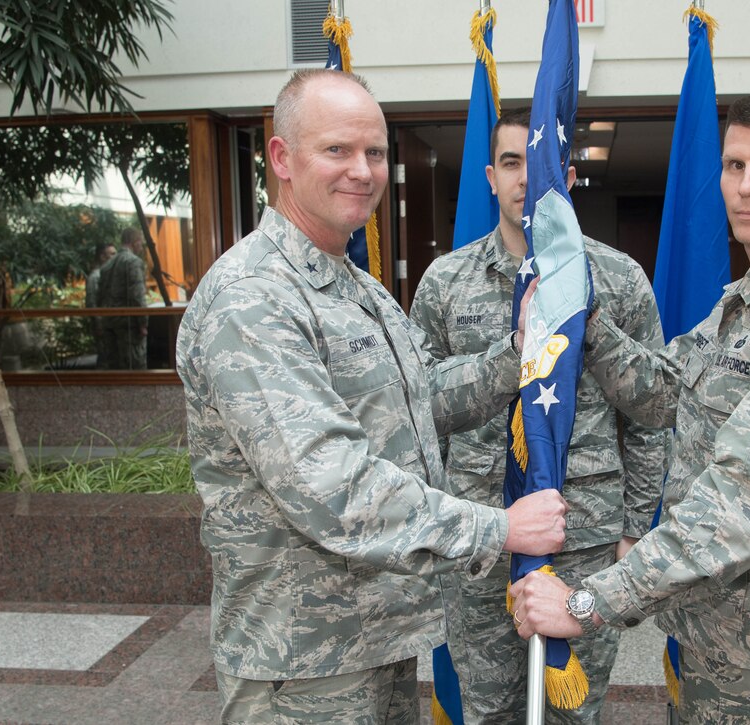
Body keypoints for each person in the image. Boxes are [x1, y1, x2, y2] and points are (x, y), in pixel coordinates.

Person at [175, 69, 568, 725]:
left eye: (376, 153)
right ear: (282, 159)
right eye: (337, 150)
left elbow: (419, 402)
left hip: (376, 638)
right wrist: (498, 528)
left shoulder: (355, 285)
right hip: (302, 665)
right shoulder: (254, 298)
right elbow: (332, 486)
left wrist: (516, 355)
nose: (363, 170)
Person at [512, 91, 750, 724]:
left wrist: (588, 603)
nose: (747, 187)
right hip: (716, 631)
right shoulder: (749, 300)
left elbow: (742, 503)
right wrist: (583, 324)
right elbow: (664, 391)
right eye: (734, 165)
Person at [410, 108, 670, 723]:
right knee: (491, 709)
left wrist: (634, 527)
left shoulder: (618, 278)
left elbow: (650, 416)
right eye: (511, 162)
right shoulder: (446, 282)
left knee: (575, 713)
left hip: (585, 534)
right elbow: (421, 408)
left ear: (570, 177)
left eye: (543, 164)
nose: (527, 177)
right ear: (490, 177)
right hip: (483, 534)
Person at [96, 227, 149, 369]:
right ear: (135, 242)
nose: (141, 246)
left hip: (110, 323)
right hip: (128, 325)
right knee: (135, 367)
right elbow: (137, 295)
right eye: (140, 242)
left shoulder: (107, 265)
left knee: (115, 369)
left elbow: (100, 297)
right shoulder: (133, 262)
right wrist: (143, 322)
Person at [85, 242, 117, 368]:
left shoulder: (107, 274)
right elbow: (91, 303)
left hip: (109, 324)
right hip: (102, 326)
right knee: (104, 358)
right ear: (103, 256)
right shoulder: (95, 277)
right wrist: (98, 325)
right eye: (112, 254)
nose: (116, 257)